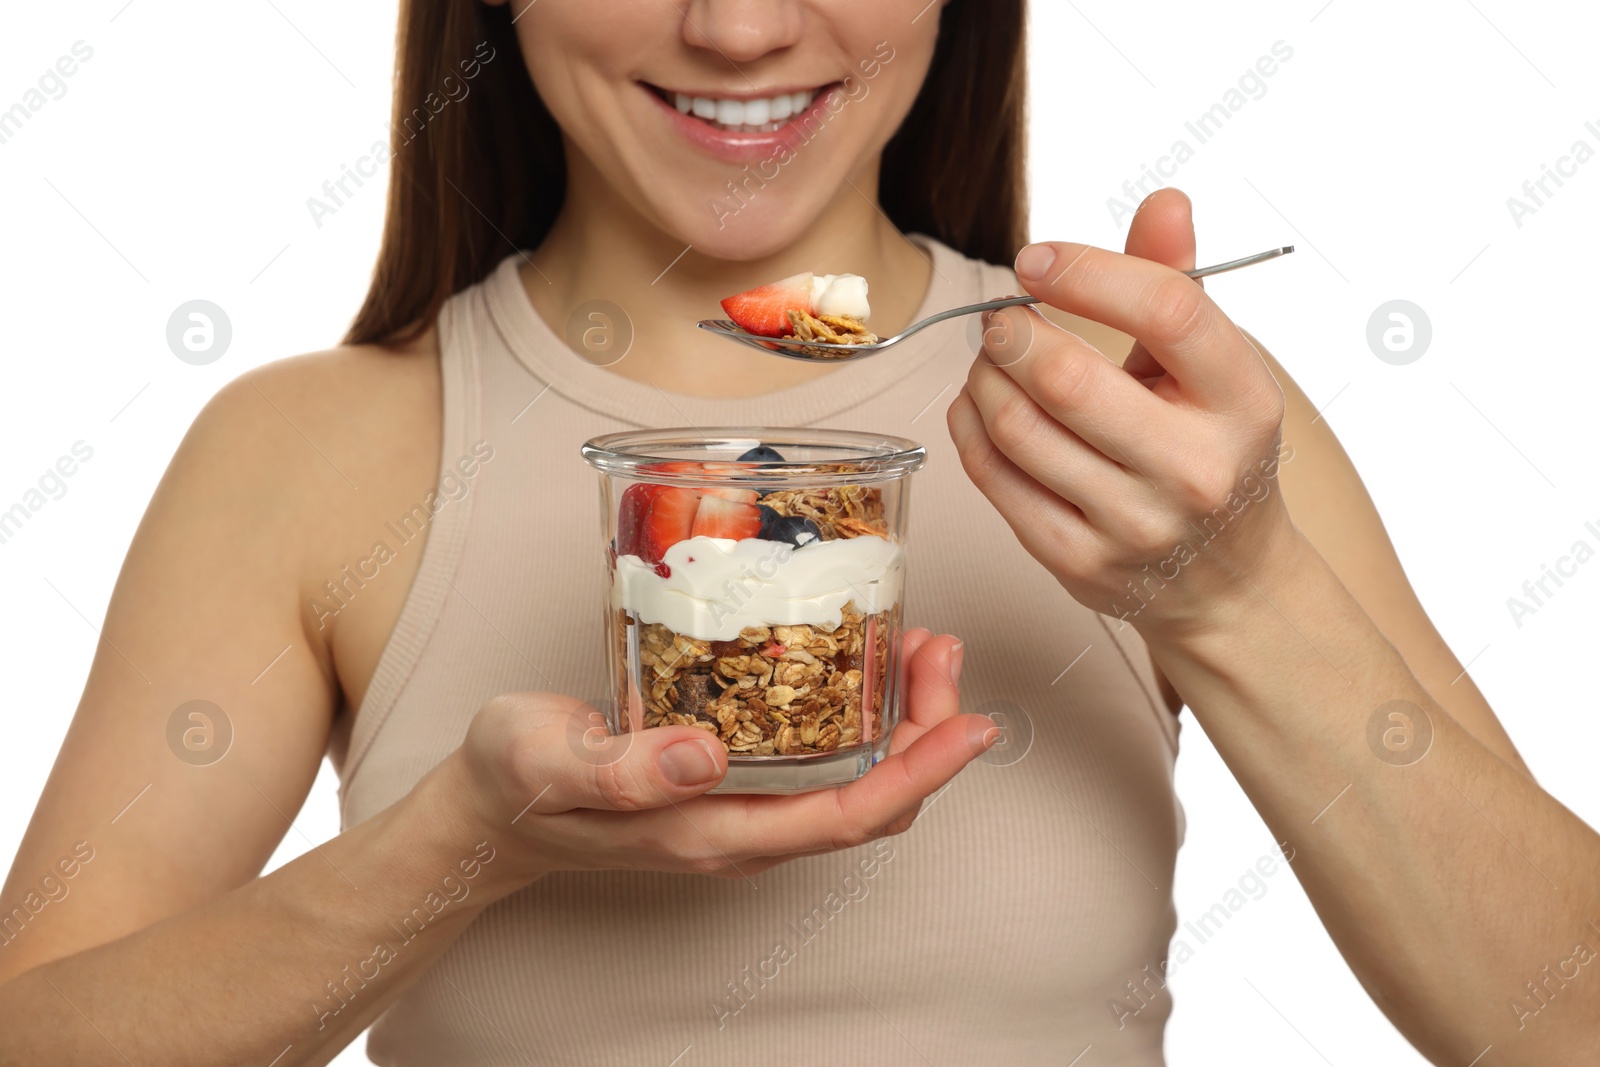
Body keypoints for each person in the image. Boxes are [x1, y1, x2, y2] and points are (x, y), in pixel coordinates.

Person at [2, 1, 1596, 1064]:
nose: (742, 24)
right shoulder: (306, 454)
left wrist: (1240, 597)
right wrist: (451, 854)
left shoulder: (1159, 426)